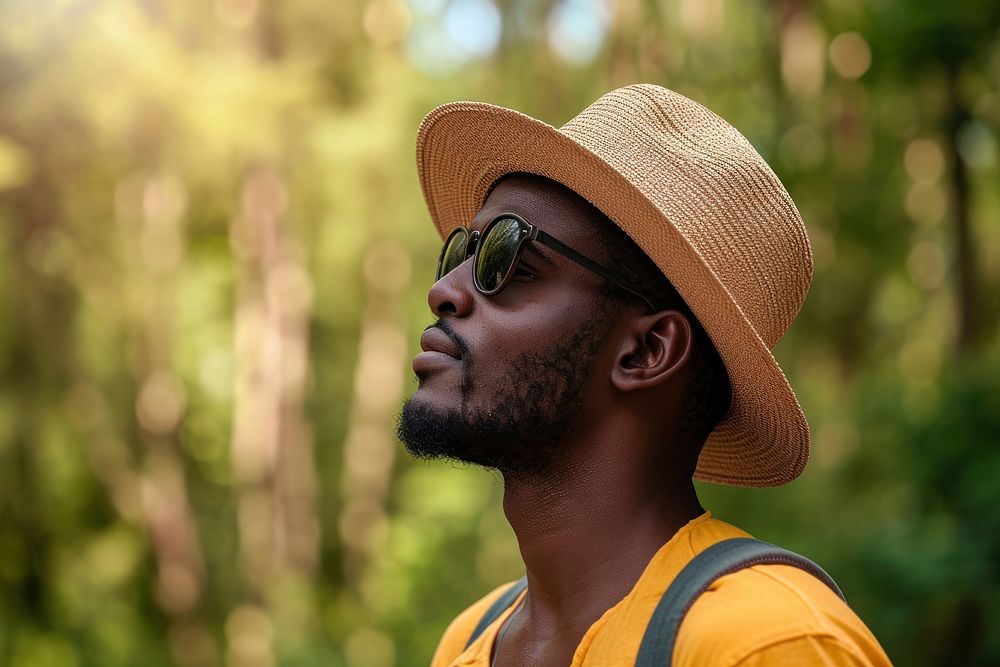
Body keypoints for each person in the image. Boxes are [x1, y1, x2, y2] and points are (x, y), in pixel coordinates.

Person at [396, 85, 892, 666]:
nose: (444, 292)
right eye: (461, 253)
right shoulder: (468, 643)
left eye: (508, 262)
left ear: (647, 350)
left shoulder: (765, 643)